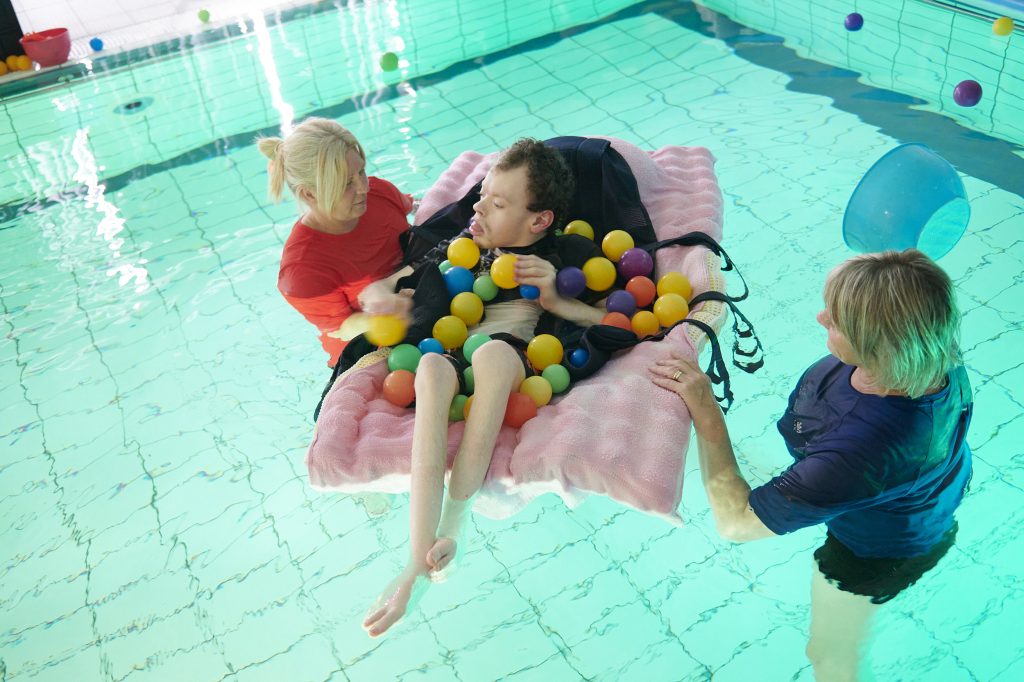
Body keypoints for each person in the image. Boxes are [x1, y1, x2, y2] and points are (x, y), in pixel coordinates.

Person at [650, 249, 972, 682]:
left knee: (826, 655)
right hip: (923, 491)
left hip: (875, 555)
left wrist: (706, 407)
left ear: (879, 345)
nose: (821, 318)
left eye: (836, 320)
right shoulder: (934, 346)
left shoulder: (860, 452)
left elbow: (735, 523)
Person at [361, 139, 606, 637]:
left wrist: (558, 298)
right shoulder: (458, 248)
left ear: (539, 220)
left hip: (509, 361)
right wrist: (381, 298)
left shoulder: (563, 256)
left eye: (497, 203)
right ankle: (414, 560)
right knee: (428, 368)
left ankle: (455, 524)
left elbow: (615, 322)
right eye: (482, 195)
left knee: (493, 353)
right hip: (449, 356)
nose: (478, 207)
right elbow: (389, 284)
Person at [258, 118, 415, 368]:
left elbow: (417, 213)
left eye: (361, 171)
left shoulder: (380, 193)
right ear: (309, 194)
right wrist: (386, 313)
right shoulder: (302, 270)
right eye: (346, 184)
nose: (364, 188)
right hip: (365, 353)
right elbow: (342, 329)